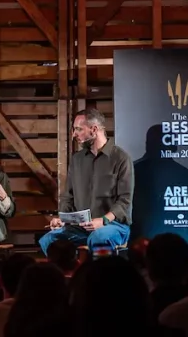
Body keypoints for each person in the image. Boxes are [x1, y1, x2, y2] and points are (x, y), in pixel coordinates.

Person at [39, 108, 134, 255]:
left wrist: (103, 220)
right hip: (80, 227)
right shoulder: (77, 160)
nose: (74, 134)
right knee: (49, 240)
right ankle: (68, 270)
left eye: (78, 129)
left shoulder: (120, 158)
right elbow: (68, 196)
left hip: (113, 226)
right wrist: (62, 219)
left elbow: (124, 201)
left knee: (99, 237)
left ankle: (100, 270)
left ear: (94, 130)